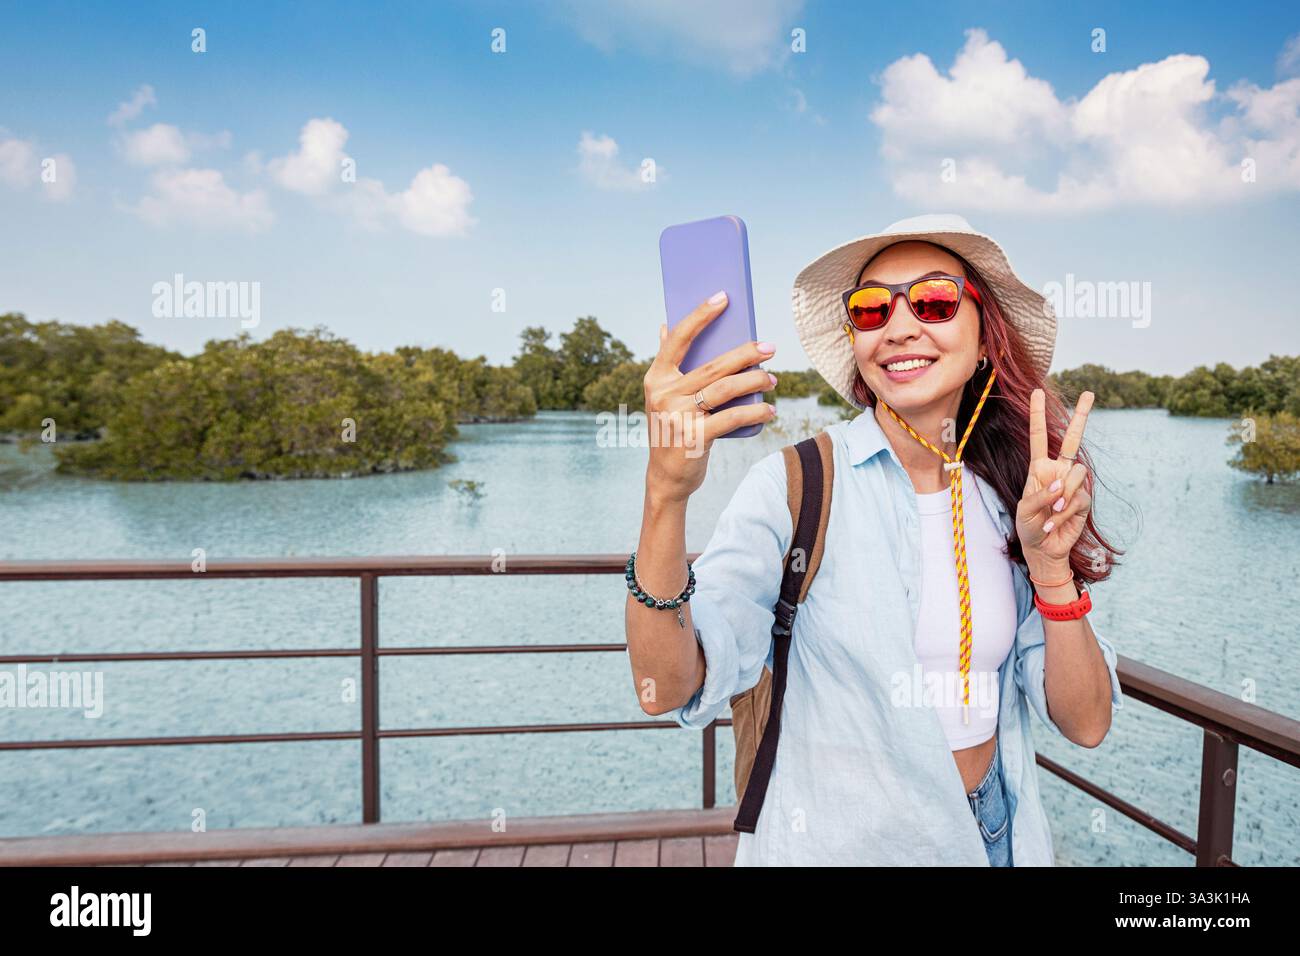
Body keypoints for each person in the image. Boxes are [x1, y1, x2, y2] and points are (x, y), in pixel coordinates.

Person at [625, 213, 1125, 866]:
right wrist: (665, 495)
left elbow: (1086, 723)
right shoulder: (794, 487)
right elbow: (665, 686)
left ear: (984, 341)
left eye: (935, 301)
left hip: (998, 838)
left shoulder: (1013, 496)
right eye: (869, 309)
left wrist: (1051, 568)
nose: (899, 325)